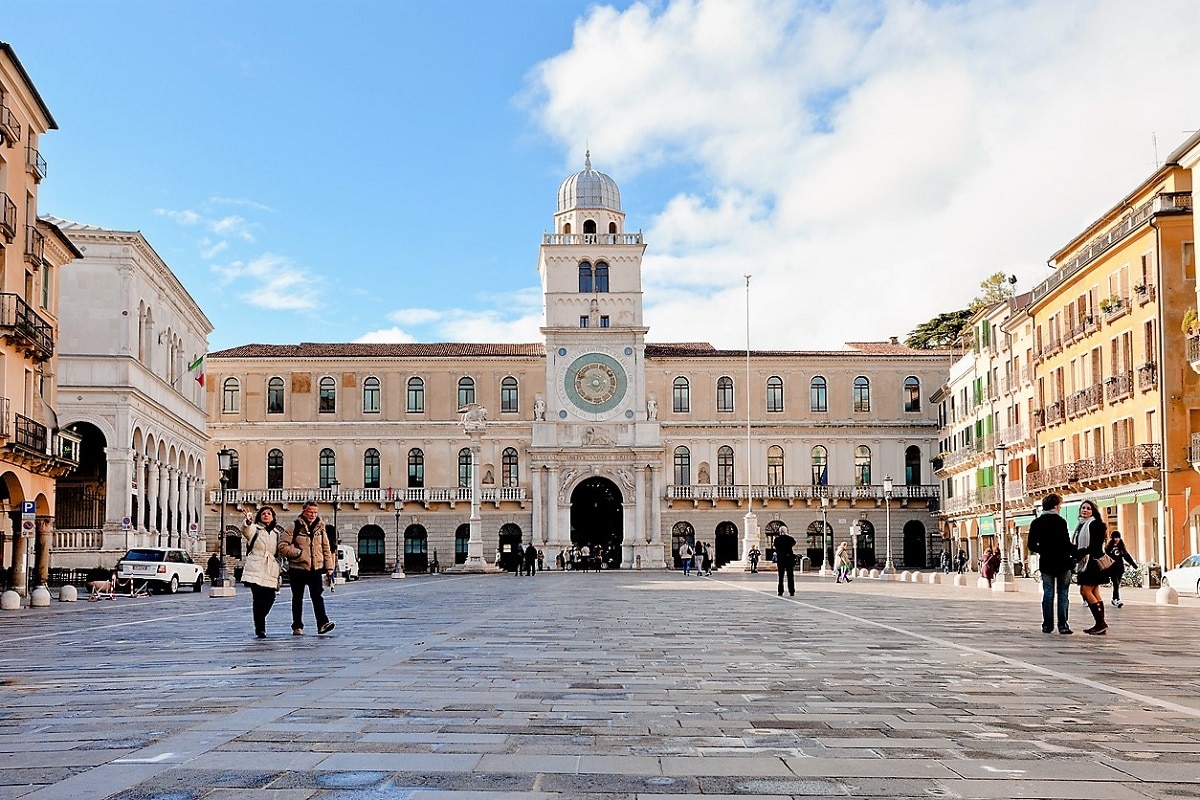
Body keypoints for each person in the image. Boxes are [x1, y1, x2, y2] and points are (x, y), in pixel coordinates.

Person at [278, 500, 336, 636]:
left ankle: (322, 624)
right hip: (297, 568)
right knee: (297, 598)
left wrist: (329, 567)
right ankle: (297, 626)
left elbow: (326, 548)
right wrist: (298, 553)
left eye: (315, 512)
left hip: (315, 568)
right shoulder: (294, 526)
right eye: (310, 512)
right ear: (304, 511)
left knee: (317, 596)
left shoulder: (321, 528)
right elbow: (282, 546)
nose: (312, 515)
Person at [1028, 493, 1074, 634]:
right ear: (1055, 505)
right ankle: (1063, 625)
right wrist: (1078, 550)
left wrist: (1044, 550)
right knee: (1063, 594)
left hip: (1046, 563)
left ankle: (1047, 625)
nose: (1060, 507)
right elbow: (1066, 544)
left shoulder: (1036, 523)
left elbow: (1031, 545)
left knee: (1048, 593)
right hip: (1063, 562)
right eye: (1060, 504)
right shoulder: (1060, 522)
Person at [240, 506, 285, 639]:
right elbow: (246, 530)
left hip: (270, 568)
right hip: (256, 566)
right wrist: (248, 521)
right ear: (259, 516)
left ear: (273, 517)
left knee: (270, 598)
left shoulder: (277, 534)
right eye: (263, 513)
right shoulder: (255, 529)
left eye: (269, 513)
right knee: (258, 599)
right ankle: (260, 629)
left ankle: (259, 619)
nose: (266, 515)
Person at [1072, 499, 1111, 634]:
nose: (1085, 510)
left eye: (1088, 508)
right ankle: (1100, 624)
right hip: (1088, 562)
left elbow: (1093, 546)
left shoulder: (1095, 525)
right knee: (1094, 592)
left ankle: (1100, 623)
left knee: (1085, 591)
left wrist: (1078, 554)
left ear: (1093, 511)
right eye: (1083, 508)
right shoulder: (1081, 525)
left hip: (1091, 563)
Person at [1104, 530, 1137, 607]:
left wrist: (1133, 564)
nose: (1116, 539)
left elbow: (1126, 556)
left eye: (1118, 537)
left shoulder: (1121, 547)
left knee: (1117, 584)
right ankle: (1116, 599)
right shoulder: (1108, 548)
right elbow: (1105, 557)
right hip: (1112, 569)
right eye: (1115, 537)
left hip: (1120, 569)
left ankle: (1114, 599)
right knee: (1115, 584)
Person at [773, 525, 796, 596]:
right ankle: (791, 591)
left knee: (780, 576)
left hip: (781, 559)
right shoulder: (790, 539)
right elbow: (793, 543)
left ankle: (780, 591)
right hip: (789, 559)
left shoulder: (777, 539)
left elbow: (775, 546)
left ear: (780, 532)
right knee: (790, 576)